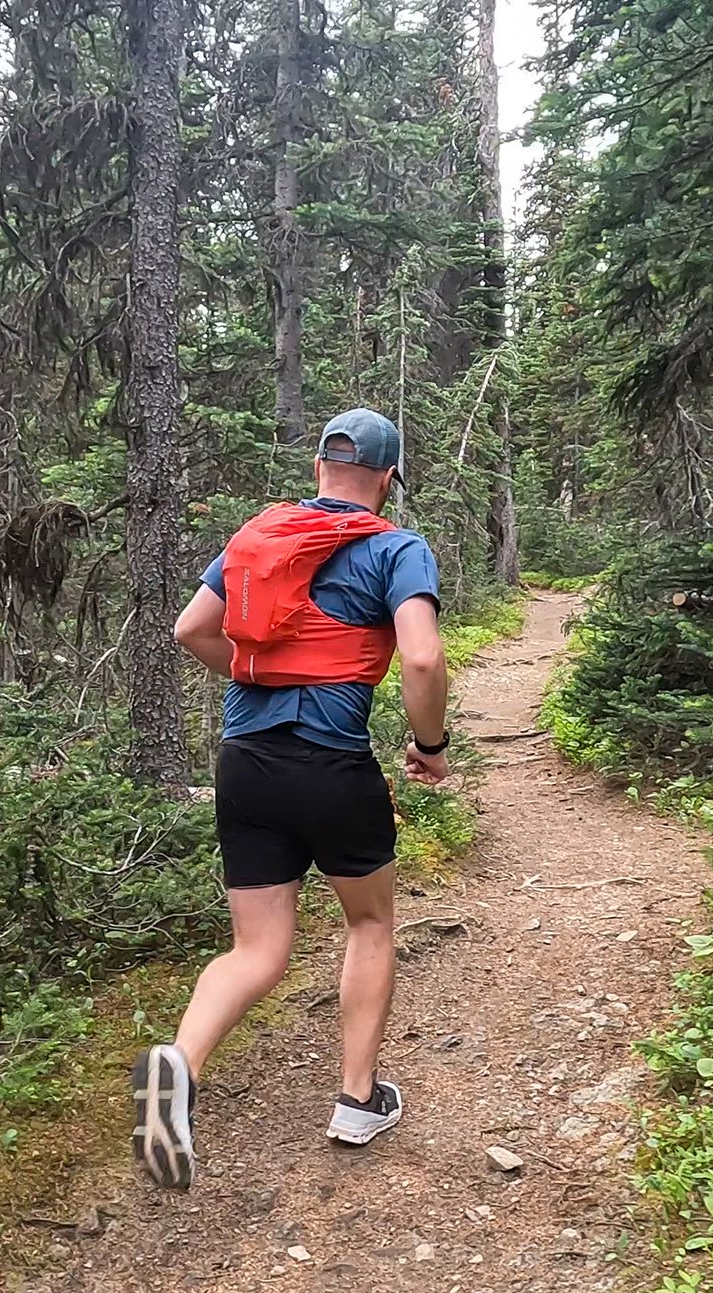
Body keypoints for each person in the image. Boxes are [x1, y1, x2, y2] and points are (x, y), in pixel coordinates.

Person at [129, 406, 450, 1190]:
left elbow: (190, 630)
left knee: (256, 951)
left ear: (318, 470)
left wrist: (258, 678)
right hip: (332, 767)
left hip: (246, 764)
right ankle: (356, 1100)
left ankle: (178, 1065)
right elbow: (422, 659)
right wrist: (429, 747)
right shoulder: (397, 548)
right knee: (370, 922)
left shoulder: (256, 538)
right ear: (387, 478)